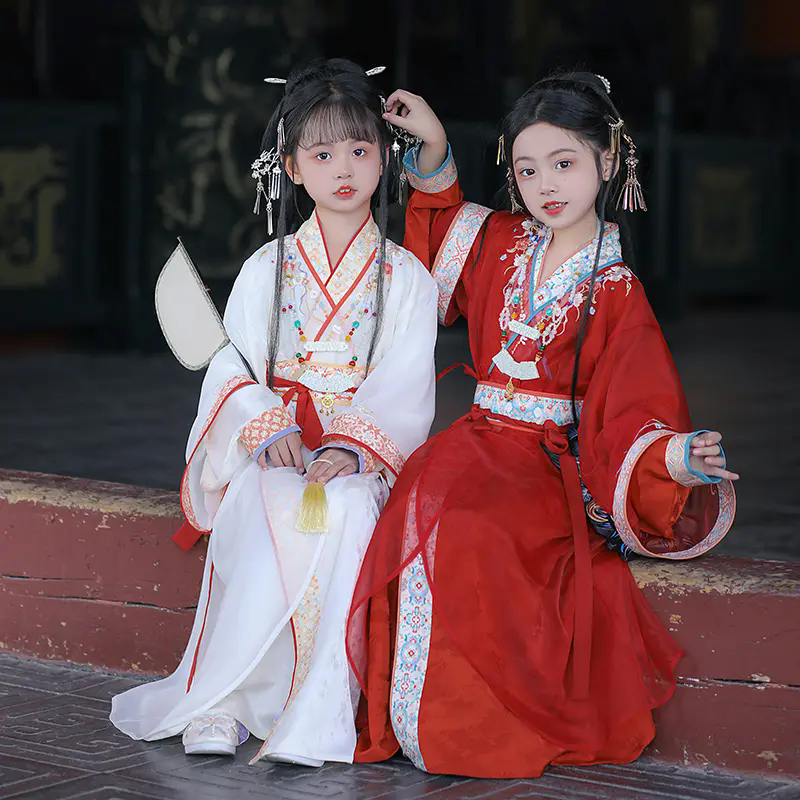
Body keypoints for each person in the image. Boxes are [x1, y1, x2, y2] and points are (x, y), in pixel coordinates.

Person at [346, 71, 739, 779]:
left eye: (565, 164)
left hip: (544, 464)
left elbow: (631, 407)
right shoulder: (500, 241)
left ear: (608, 162)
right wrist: (433, 145)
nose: (545, 185)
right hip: (473, 440)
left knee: (474, 533)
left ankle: (463, 726)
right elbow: (437, 228)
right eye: (527, 170)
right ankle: (402, 714)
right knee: (414, 506)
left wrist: (675, 455)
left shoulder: (617, 291)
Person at [110, 58, 438, 767]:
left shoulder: (408, 278)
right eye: (322, 154)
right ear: (290, 167)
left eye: (360, 150)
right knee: (259, 502)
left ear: (385, 155)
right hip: (279, 444)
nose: (344, 168)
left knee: (348, 509)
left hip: (352, 455)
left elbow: (405, 382)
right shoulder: (269, 267)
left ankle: (313, 708)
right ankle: (223, 700)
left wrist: (353, 448)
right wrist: (266, 428)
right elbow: (232, 364)